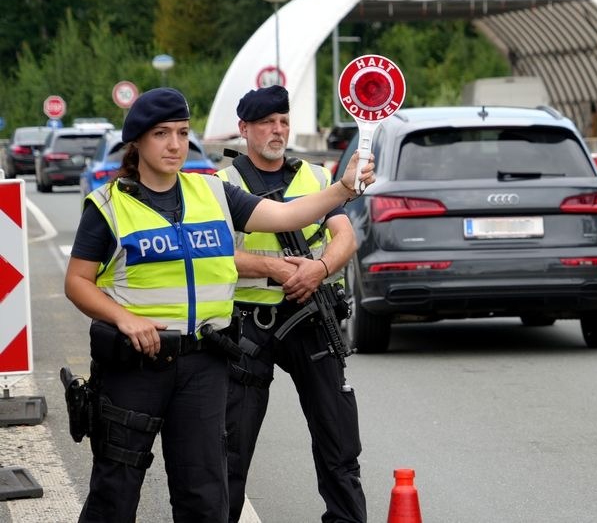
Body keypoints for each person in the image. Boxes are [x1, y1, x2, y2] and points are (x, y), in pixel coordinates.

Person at [63, 86, 373, 523]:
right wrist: (124, 318)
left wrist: (342, 187)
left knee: (204, 495)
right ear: (138, 141)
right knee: (115, 492)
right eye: (161, 134)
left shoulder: (212, 192)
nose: (174, 145)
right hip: (138, 362)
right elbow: (77, 282)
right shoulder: (110, 205)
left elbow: (286, 216)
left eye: (182, 133)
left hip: (204, 362)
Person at [218, 86, 367, 523]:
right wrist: (277, 272)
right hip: (247, 324)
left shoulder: (318, 178)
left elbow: (346, 238)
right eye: (267, 122)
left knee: (338, 439)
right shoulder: (221, 185)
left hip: (310, 317)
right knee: (230, 447)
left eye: (283, 121)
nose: (278, 130)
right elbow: (216, 254)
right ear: (244, 129)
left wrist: (318, 270)